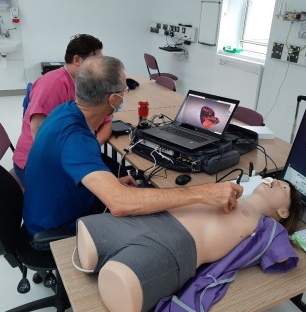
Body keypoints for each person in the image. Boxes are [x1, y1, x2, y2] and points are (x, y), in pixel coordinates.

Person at [23, 55, 243, 238]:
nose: (125, 94)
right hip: (58, 228)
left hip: (55, 208)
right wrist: (204, 193)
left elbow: (62, 169)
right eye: (124, 89)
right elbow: (119, 203)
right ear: (113, 99)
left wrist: (111, 182)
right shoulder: (75, 139)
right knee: (167, 228)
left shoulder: (66, 111)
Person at [76, 178, 303, 312]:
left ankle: (119, 270)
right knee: (91, 232)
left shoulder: (270, 228)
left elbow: (284, 256)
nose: (274, 181)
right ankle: (104, 255)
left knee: (122, 281)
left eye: (283, 187)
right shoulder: (230, 190)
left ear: (283, 211)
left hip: (176, 247)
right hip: (156, 217)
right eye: (274, 179)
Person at [13, 34, 113, 185]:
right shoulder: (52, 84)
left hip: (75, 152)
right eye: (96, 61)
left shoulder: (88, 84)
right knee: (101, 189)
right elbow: (39, 135)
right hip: (38, 162)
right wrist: (81, 154)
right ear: (78, 60)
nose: (101, 67)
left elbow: (106, 121)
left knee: (115, 173)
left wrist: (90, 147)